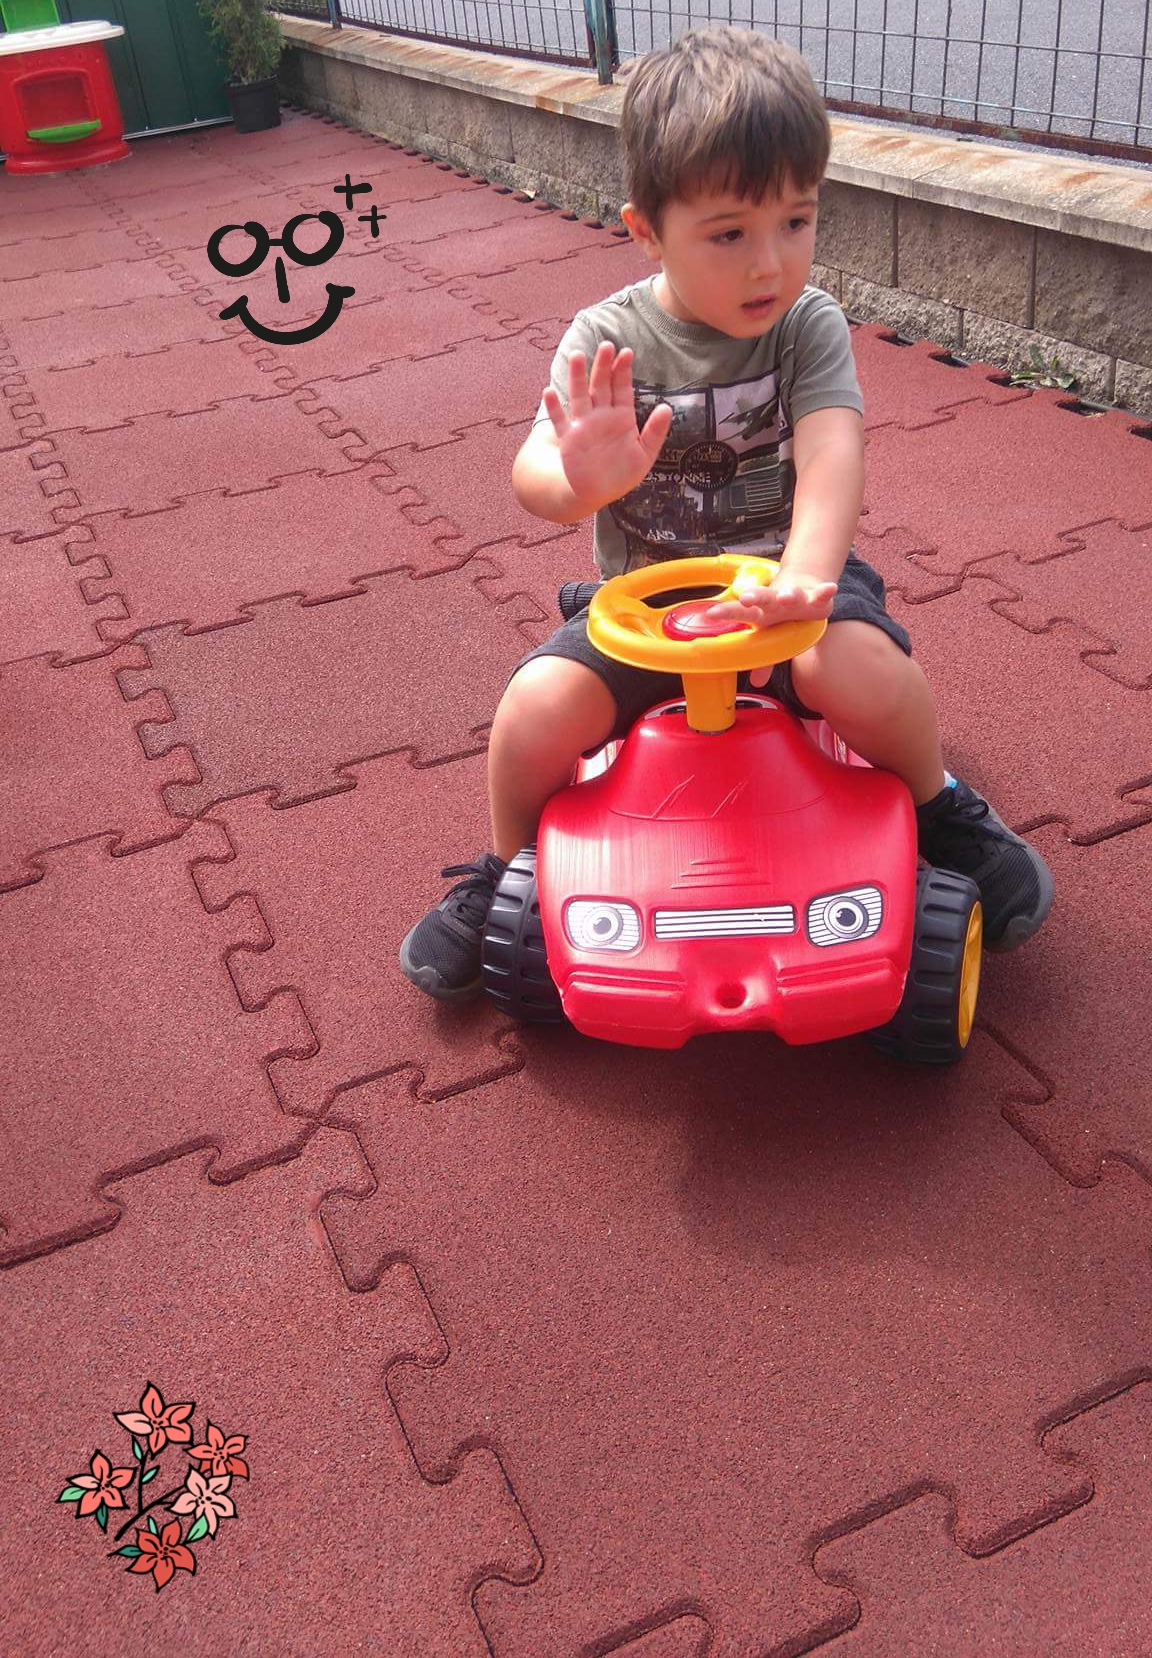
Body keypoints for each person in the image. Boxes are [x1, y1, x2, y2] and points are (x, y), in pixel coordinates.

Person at [400, 24, 1053, 1001]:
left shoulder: (806, 326)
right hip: (650, 607)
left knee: (861, 668)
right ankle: (506, 871)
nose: (769, 265)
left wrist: (806, 578)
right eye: (730, 234)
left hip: (787, 586)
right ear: (647, 231)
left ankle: (940, 803)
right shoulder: (606, 339)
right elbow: (533, 475)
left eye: (797, 221)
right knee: (534, 708)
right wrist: (582, 480)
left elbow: (832, 455)